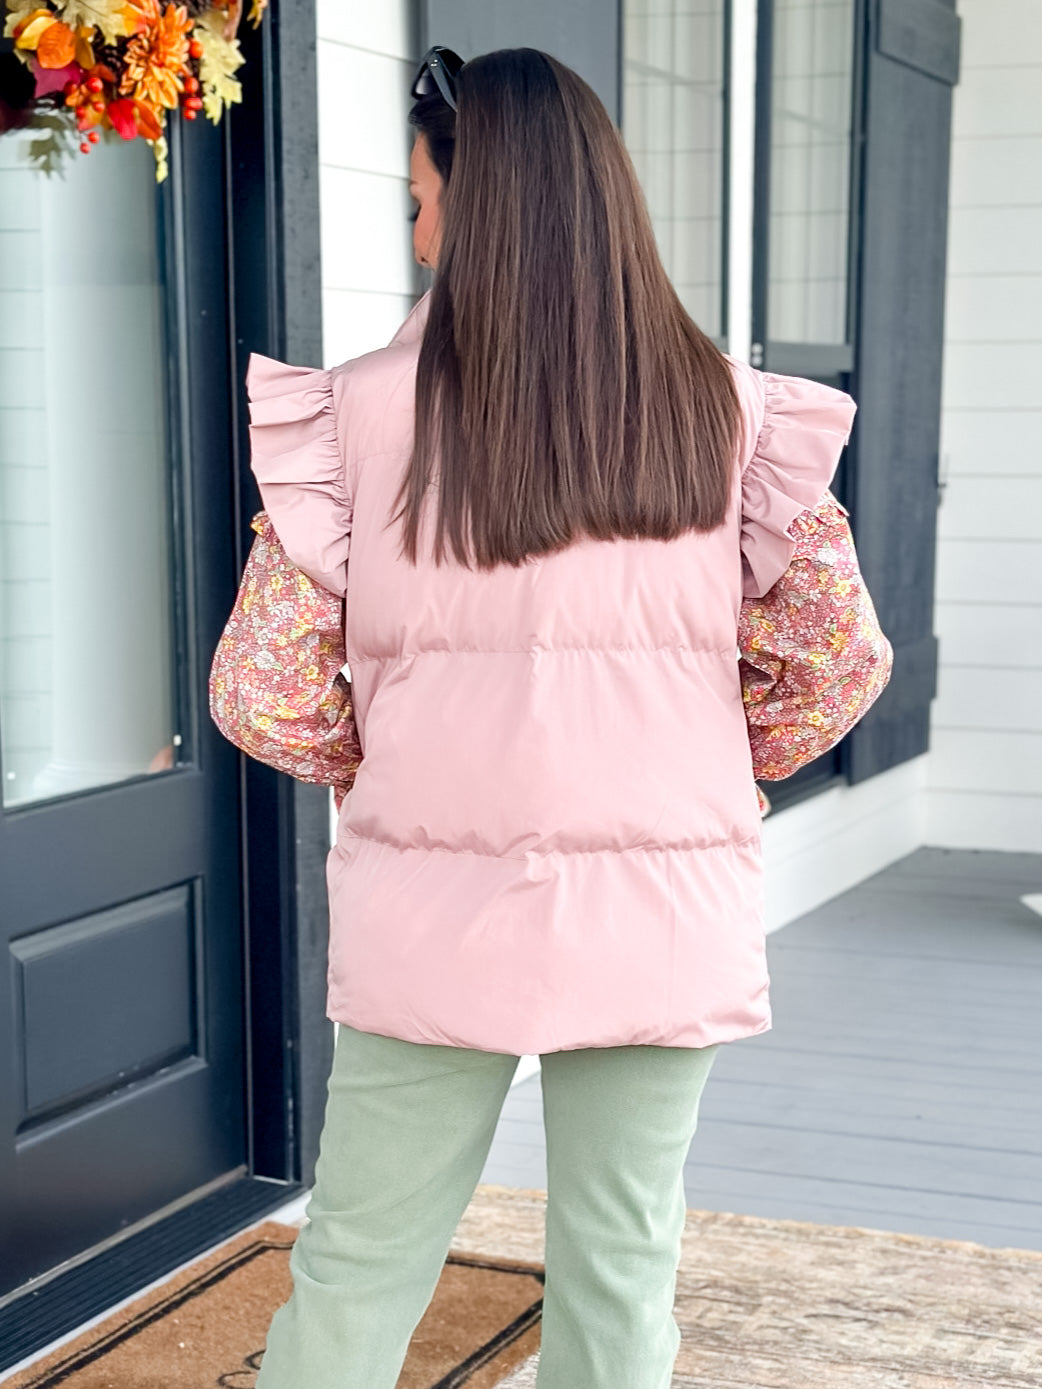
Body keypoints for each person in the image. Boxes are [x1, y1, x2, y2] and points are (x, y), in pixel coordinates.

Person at [244, 46, 890, 1389]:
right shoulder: (726, 410)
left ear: (473, 214)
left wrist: (389, 764)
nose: (416, 228)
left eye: (419, 198)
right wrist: (715, 766)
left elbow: (266, 688)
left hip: (430, 910)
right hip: (660, 906)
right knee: (619, 1264)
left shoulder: (349, 418)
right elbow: (838, 658)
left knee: (360, 1260)